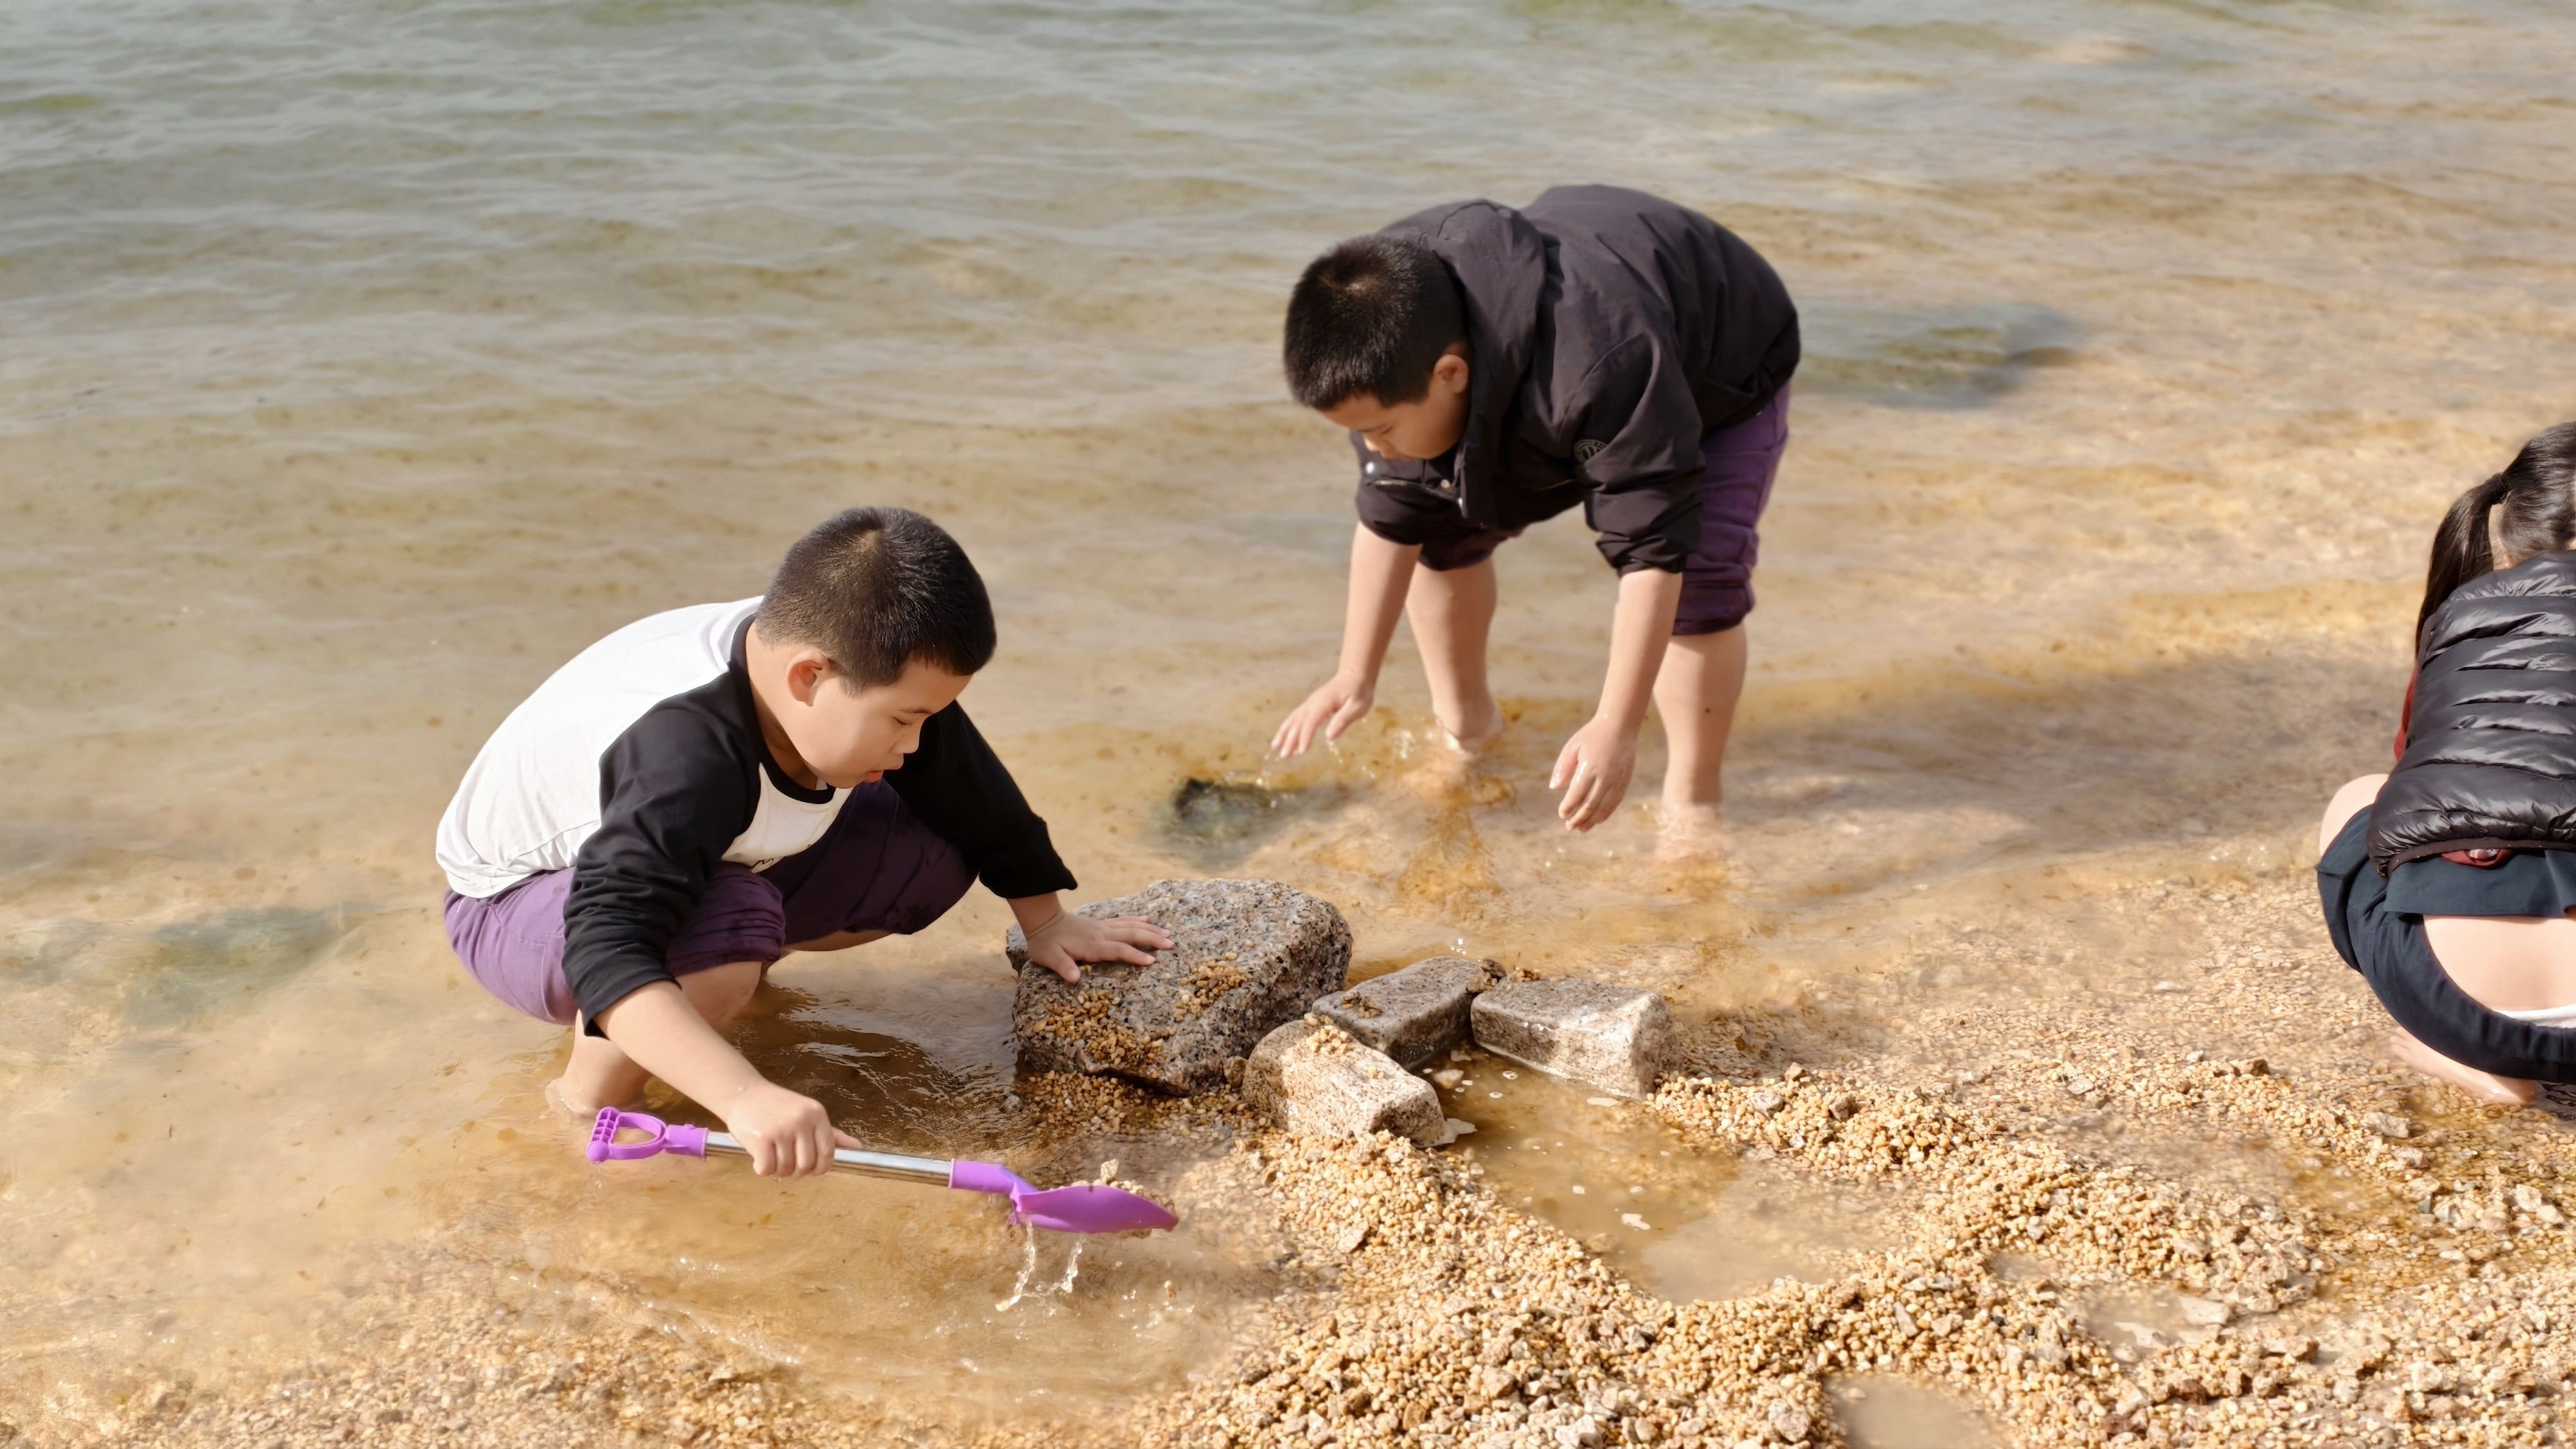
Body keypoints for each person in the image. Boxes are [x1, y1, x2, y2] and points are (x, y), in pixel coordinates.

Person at [436, 507, 1171, 1175]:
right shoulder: (684, 753)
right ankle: (592, 1104)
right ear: (808, 675)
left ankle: (720, 980)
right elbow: (607, 944)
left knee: (938, 840)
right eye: (903, 720)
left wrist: (1047, 923)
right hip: (515, 908)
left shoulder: (852, 650)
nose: (917, 742)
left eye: (928, 717)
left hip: (683, 860)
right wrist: (743, 1095)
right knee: (725, 924)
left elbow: (974, 796)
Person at [1267, 185, 1799, 843]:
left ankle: (1694, 799)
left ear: (1450, 374)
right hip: (1558, 353)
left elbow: (1653, 550)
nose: (1373, 447)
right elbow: (1391, 517)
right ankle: (1469, 734)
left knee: (1699, 583)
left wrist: (1616, 725)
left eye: (1379, 430)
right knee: (1439, 531)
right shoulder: (1386, 330)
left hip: (1721, 357)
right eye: (1359, 432)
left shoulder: (1599, 363)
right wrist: (1355, 673)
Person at [2317, 423, 2576, 1106]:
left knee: (2363, 796)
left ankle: (2483, 1065)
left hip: (2460, 1008)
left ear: (2509, 543)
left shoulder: (2459, 617)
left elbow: (2412, 782)